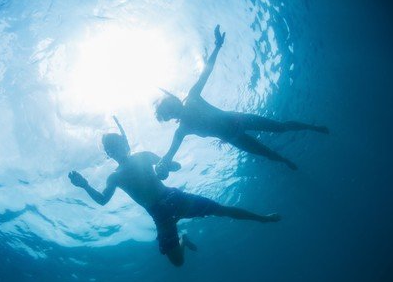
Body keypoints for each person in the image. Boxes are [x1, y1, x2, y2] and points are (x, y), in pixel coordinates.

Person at [69, 116, 280, 267]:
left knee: (220, 210)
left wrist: (167, 166)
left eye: (116, 144)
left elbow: (174, 165)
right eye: (111, 148)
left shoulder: (143, 156)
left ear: (124, 143)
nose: (116, 149)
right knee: (178, 263)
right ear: (109, 153)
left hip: (174, 198)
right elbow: (103, 200)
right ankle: (183, 241)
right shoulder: (114, 176)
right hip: (159, 215)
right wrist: (85, 185)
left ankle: (263, 218)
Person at [155, 25, 329, 177]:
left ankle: (312, 127)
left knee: (280, 128)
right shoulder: (182, 129)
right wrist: (162, 166)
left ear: (176, 101)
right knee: (267, 152)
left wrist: (217, 46)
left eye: (171, 106)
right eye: (170, 111)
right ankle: (285, 160)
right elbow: (169, 155)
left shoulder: (191, 100)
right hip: (234, 136)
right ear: (170, 116)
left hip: (239, 121)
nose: (174, 109)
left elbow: (207, 71)